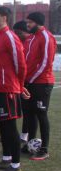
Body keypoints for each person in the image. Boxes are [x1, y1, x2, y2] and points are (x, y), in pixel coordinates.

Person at [0, 6, 29, 171]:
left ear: (4, 18)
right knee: (1, 124)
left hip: (8, 90)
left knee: (10, 126)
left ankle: (16, 165)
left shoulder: (10, 37)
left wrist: (18, 85)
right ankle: (6, 158)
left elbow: (21, 64)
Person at [23, 12, 56, 160]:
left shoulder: (46, 37)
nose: (27, 25)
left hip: (42, 83)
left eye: (30, 22)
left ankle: (44, 149)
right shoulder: (32, 37)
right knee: (29, 114)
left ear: (38, 22)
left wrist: (31, 79)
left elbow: (46, 62)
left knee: (41, 114)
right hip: (30, 82)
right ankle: (30, 143)